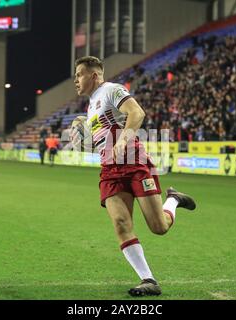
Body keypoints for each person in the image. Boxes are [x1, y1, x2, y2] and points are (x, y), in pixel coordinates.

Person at [71, 56, 197, 297]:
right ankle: (148, 279)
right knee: (121, 223)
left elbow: (137, 113)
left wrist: (123, 141)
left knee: (159, 227)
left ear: (94, 75)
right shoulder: (90, 107)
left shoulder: (111, 90)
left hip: (134, 163)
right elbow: (100, 140)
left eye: (79, 74)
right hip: (110, 170)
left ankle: (174, 200)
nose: (76, 80)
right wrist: (86, 144)